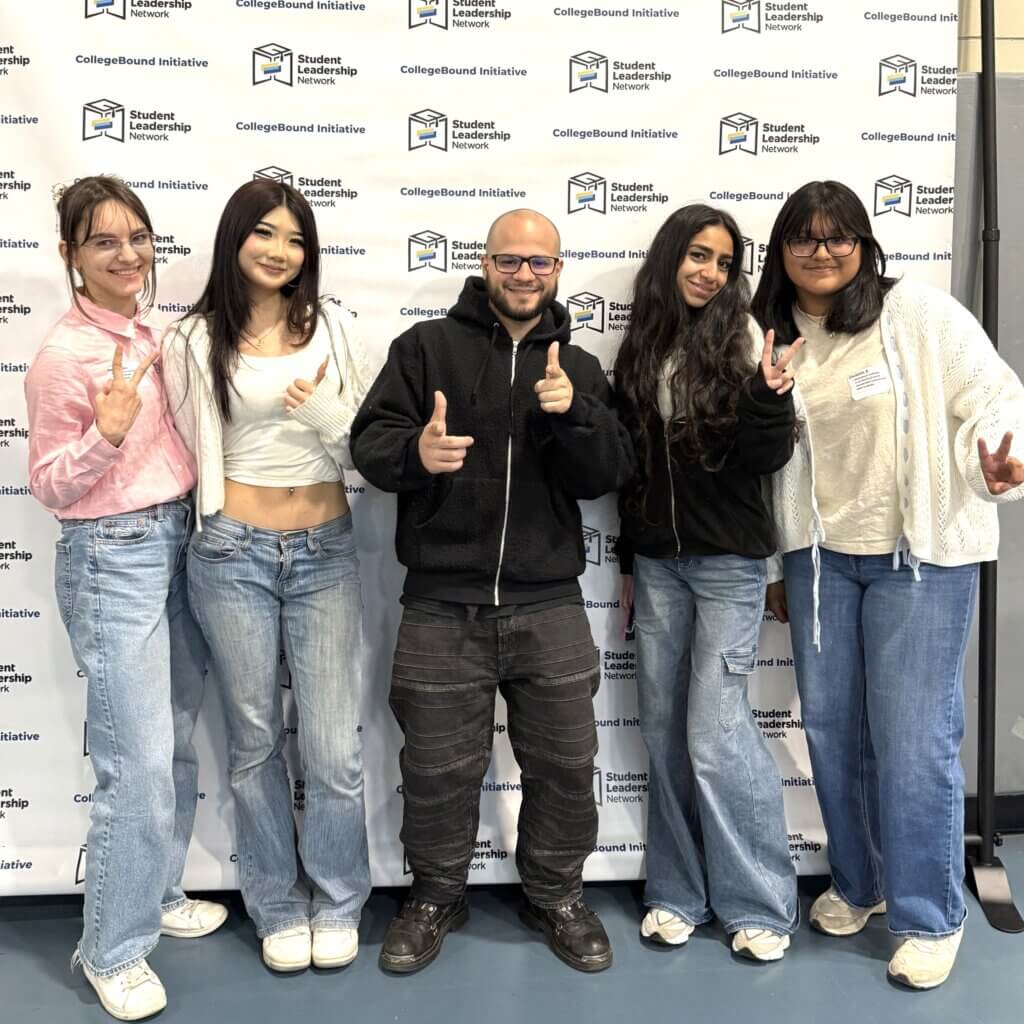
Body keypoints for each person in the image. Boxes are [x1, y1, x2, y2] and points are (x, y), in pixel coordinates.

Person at [753, 179, 1024, 989]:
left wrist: (1002, 454)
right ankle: (861, 884)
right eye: (804, 237)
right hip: (818, 559)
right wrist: (778, 564)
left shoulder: (921, 314)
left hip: (921, 557)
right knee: (833, 731)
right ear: (783, 252)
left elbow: (993, 396)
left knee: (913, 741)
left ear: (865, 245)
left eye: (839, 237)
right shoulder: (769, 334)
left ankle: (930, 913)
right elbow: (767, 465)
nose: (822, 250)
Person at [350, 208, 634, 974]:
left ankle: (558, 894)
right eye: (509, 260)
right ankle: (437, 894)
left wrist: (573, 417)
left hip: (550, 605)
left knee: (568, 766)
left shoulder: (578, 368)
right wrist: (417, 451)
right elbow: (369, 443)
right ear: (485, 265)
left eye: (539, 263)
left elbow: (608, 473)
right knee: (438, 769)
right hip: (443, 604)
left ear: (558, 271)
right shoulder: (425, 350)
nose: (524, 275)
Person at [24, 176, 226, 1022]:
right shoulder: (66, 355)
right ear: (70, 255)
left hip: (177, 541)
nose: (128, 254)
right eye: (104, 241)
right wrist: (105, 434)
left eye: (138, 237)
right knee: (134, 764)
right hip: (114, 556)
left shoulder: (155, 334)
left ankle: (156, 891)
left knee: (173, 743)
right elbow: (48, 486)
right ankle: (112, 945)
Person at [163, 179, 373, 973]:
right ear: (235, 241)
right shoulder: (192, 342)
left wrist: (324, 416)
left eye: (295, 239)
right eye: (265, 234)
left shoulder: (338, 331)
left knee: (331, 747)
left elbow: (371, 448)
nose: (280, 251)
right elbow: (184, 456)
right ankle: (277, 906)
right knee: (253, 743)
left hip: (324, 548)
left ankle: (340, 899)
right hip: (230, 552)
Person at [614, 204, 800, 963]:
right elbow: (632, 471)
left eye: (724, 262)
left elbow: (767, 459)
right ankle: (677, 892)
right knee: (662, 728)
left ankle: (759, 903)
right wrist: (630, 560)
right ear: (670, 259)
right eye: (697, 255)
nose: (710, 272)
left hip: (728, 566)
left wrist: (768, 397)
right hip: (660, 565)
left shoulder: (746, 336)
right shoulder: (643, 345)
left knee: (714, 735)